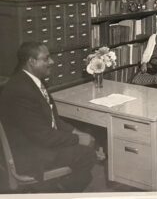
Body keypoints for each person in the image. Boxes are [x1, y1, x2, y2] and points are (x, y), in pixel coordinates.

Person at [0, 42, 96, 192]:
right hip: (29, 154)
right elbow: (43, 136)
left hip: (35, 143)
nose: (52, 62)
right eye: (46, 59)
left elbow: (52, 119)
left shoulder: (31, 81)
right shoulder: (21, 91)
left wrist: (76, 132)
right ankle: (60, 191)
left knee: (86, 145)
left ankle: (60, 187)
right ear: (32, 62)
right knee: (86, 154)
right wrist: (78, 139)